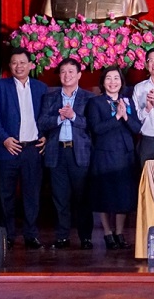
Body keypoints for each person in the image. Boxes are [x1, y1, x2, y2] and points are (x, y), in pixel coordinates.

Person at [0, 48, 47, 249]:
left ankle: (31, 235)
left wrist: (45, 135)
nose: (19, 66)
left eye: (23, 62)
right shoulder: (0, 86)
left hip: (32, 150)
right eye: (14, 62)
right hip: (8, 149)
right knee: (5, 195)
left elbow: (46, 116)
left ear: (31, 65)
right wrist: (4, 139)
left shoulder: (41, 87)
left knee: (32, 194)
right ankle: (8, 235)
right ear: (9, 66)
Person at [38, 58, 94, 249]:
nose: (67, 75)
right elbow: (42, 122)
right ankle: (62, 236)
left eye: (71, 71)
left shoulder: (89, 98)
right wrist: (59, 118)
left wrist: (73, 116)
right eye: (63, 71)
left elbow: (92, 124)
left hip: (80, 153)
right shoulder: (50, 97)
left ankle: (85, 237)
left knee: (83, 197)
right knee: (59, 197)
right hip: (57, 151)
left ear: (79, 75)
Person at [86, 66, 141, 250]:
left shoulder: (127, 101)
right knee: (104, 195)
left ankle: (119, 233)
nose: (112, 82)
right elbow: (96, 129)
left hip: (125, 154)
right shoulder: (96, 102)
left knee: (123, 195)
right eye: (108, 78)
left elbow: (137, 128)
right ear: (103, 82)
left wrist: (125, 116)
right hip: (104, 154)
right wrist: (117, 116)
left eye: (116, 78)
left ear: (121, 81)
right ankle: (108, 233)